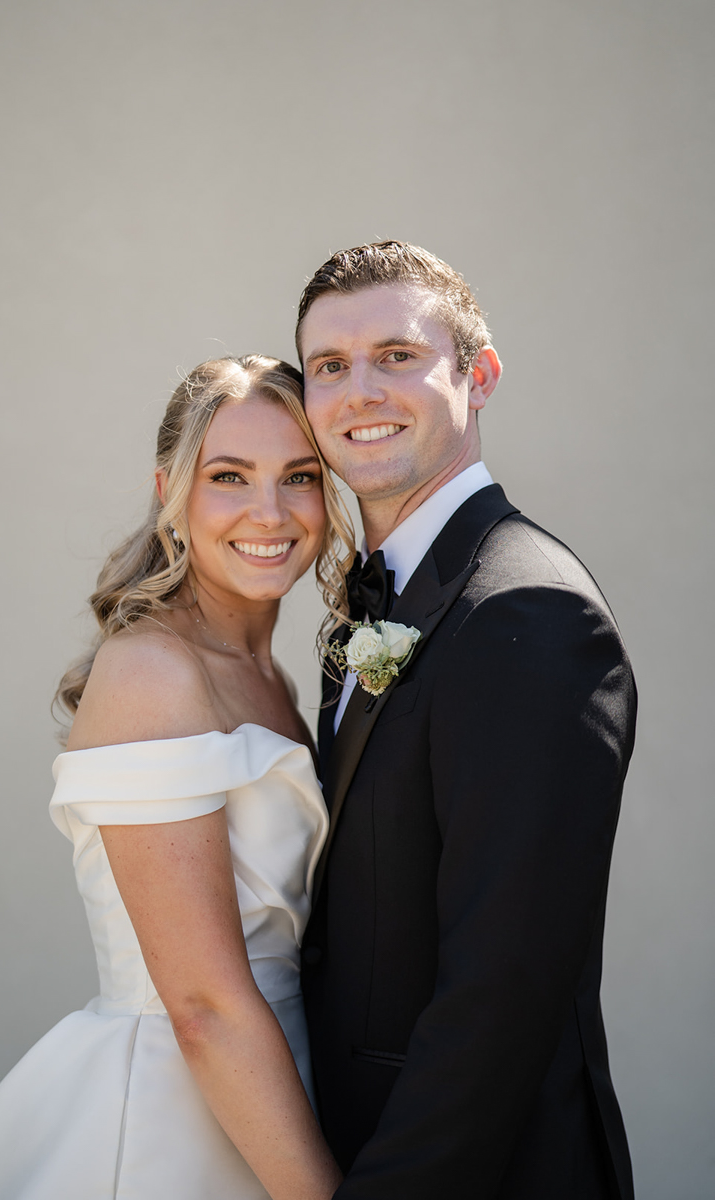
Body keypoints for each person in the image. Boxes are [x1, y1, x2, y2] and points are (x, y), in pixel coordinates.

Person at [0, 355, 351, 1200]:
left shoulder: (271, 676)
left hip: (274, 1089)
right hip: (173, 1111)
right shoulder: (154, 673)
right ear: (171, 490)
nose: (270, 512)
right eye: (230, 477)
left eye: (299, 477)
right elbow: (200, 1004)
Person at [297, 241, 637, 1199]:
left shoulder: (527, 613)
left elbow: (504, 991)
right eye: (330, 366)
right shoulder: (379, 601)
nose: (359, 390)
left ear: (477, 376)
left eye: (397, 356)